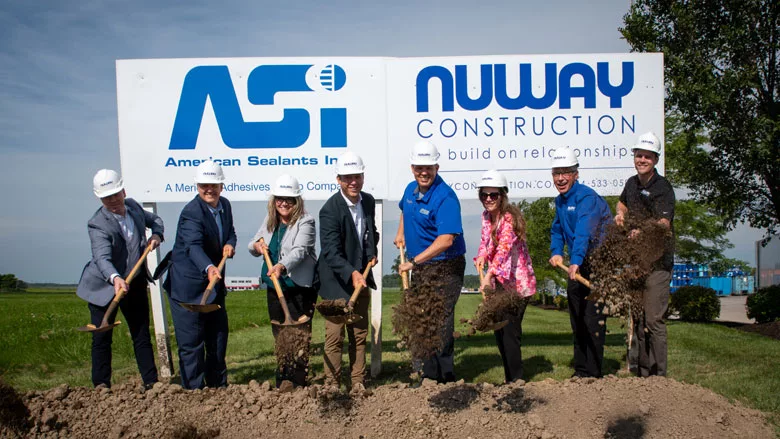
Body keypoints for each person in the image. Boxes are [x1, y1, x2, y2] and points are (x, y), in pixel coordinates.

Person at [76, 169, 162, 389]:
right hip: (103, 287)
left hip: (135, 282)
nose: (112, 201)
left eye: (115, 195)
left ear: (123, 191)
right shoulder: (97, 224)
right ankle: (101, 385)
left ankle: (151, 383)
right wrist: (115, 278)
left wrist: (156, 235)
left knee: (141, 333)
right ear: (100, 198)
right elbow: (102, 258)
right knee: (102, 335)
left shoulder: (133, 207)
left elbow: (156, 220)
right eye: (106, 198)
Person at [395, 140, 466, 384]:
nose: (423, 173)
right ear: (412, 167)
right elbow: (405, 210)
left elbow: (446, 240)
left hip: (447, 265)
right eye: (418, 168)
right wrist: (401, 232)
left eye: (428, 168)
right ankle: (427, 374)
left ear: (436, 167)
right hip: (423, 265)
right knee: (421, 316)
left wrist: (413, 263)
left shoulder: (445, 197)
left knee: (441, 319)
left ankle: (445, 376)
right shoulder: (410, 190)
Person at [162, 160, 236, 389]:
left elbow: (230, 232)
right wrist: (209, 267)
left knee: (218, 338)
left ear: (221, 185)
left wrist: (230, 244)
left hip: (213, 286)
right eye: (204, 184)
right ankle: (194, 393)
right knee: (192, 343)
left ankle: (217, 388)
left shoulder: (224, 205)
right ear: (197, 186)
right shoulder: (191, 213)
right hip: (188, 287)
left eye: (214, 184)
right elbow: (192, 246)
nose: (209, 189)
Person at [317, 152, 379, 393]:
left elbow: (370, 233)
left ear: (363, 176)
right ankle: (332, 384)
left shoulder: (369, 201)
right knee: (334, 337)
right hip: (336, 280)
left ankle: (357, 382)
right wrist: (351, 272)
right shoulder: (329, 210)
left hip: (360, 279)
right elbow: (331, 252)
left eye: (357, 176)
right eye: (347, 178)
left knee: (359, 334)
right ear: (339, 179)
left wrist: (372, 252)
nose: (353, 182)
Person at [248, 174, 317, 388]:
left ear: (297, 201)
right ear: (274, 200)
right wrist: (257, 247)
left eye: (289, 199)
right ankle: (283, 380)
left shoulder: (306, 221)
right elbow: (254, 242)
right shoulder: (271, 221)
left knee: (298, 335)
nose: (284, 203)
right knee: (280, 335)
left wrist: (281, 266)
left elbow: (300, 251)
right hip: (274, 288)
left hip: (299, 287)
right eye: (280, 198)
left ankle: (299, 381)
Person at [548, 147, 612, 378]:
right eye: (557, 173)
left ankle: (594, 374)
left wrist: (575, 261)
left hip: (598, 263)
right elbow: (557, 229)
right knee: (577, 319)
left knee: (592, 319)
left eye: (566, 172)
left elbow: (584, 230)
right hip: (578, 265)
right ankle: (581, 370)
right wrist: (556, 252)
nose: (561, 178)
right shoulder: (560, 201)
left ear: (576, 174)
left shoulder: (587, 198)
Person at [615, 132, 675, 377]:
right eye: (639, 155)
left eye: (647, 157)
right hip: (636, 262)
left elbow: (663, 224)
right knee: (637, 318)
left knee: (653, 320)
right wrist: (620, 214)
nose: (642, 160)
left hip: (657, 263)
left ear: (655, 160)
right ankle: (642, 373)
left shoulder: (663, 188)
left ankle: (660, 377)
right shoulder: (631, 183)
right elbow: (622, 204)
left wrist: (642, 231)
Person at [474, 170, 537, 383]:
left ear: (503, 195)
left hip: (518, 284)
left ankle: (516, 381)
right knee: (499, 332)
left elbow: (503, 249)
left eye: (493, 195)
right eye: (484, 195)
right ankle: (509, 379)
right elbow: (486, 243)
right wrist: (481, 257)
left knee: (509, 331)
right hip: (500, 282)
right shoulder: (485, 217)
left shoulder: (509, 218)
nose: (488, 199)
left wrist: (488, 275)